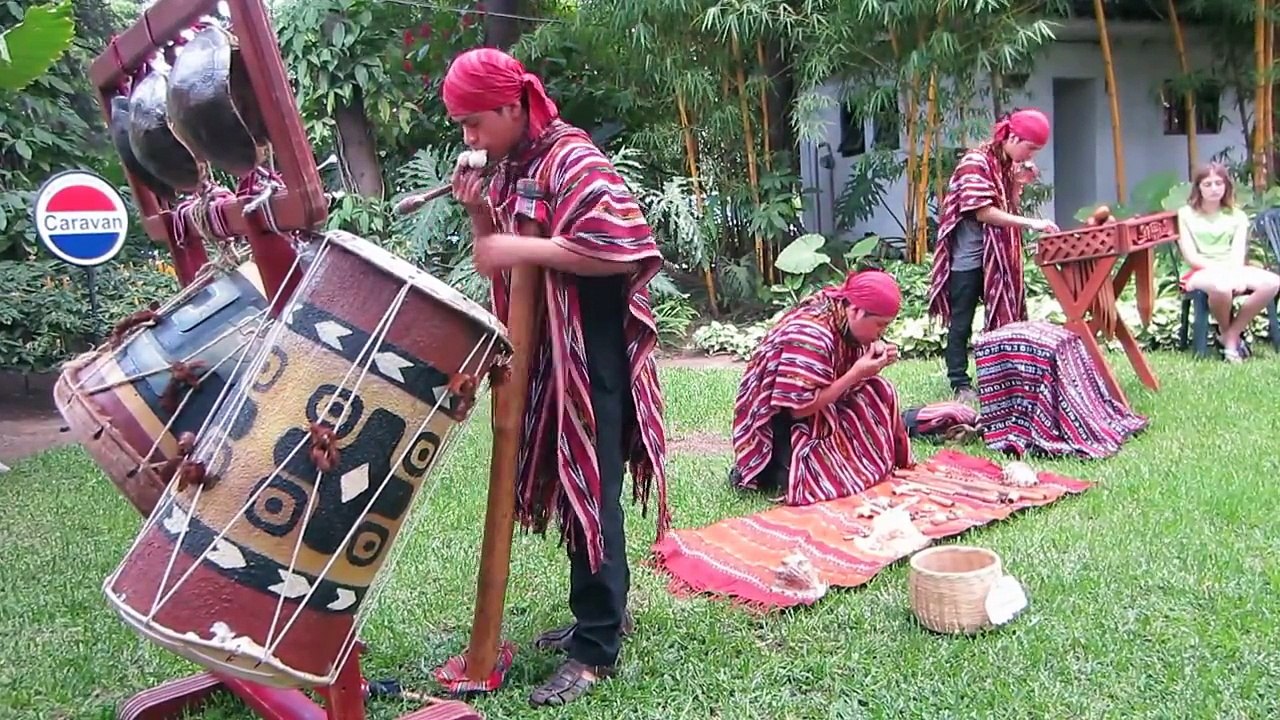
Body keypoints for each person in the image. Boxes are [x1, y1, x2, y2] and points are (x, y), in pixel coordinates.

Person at [441, 48, 669, 706]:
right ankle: (602, 612)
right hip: (548, 353)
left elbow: (620, 245)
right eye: (461, 126)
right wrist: (481, 211)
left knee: (590, 483)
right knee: (579, 487)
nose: (469, 138)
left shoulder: (572, 158)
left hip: (590, 351)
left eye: (475, 122)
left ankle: (597, 647)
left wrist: (510, 245)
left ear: (512, 107)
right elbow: (499, 252)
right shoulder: (516, 161)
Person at [727, 270, 915, 506]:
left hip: (822, 410)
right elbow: (798, 409)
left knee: (878, 390)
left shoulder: (841, 317)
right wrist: (858, 372)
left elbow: (841, 373)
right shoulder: (812, 334)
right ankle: (775, 469)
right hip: (783, 428)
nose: (882, 334)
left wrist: (871, 361)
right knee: (833, 476)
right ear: (856, 311)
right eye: (880, 325)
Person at [927, 108, 1060, 405]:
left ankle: (1001, 378)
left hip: (997, 259)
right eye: (1030, 148)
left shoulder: (1004, 162)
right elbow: (984, 212)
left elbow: (1009, 205)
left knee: (1005, 316)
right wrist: (1033, 223)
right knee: (961, 322)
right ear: (1013, 137)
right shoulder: (976, 162)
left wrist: (1018, 181)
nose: (1031, 155)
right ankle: (959, 381)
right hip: (969, 259)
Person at [1176, 162, 1280, 362]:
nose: (1214, 189)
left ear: (1226, 186)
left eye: (1218, 183)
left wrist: (1233, 273)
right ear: (1198, 188)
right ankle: (1229, 337)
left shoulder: (1237, 216)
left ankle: (1230, 336)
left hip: (1232, 267)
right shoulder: (1186, 214)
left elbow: (1237, 253)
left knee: (1273, 282)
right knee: (1221, 285)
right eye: (1208, 184)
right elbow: (1191, 256)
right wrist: (1225, 274)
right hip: (1198, 271)